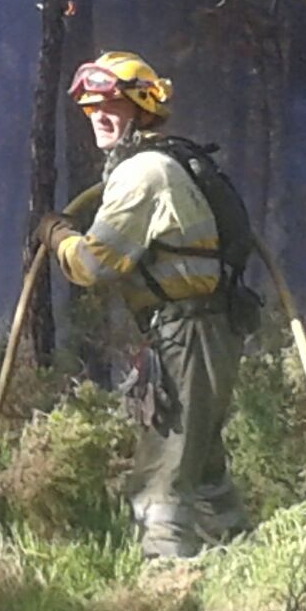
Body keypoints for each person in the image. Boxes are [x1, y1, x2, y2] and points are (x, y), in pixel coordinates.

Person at [35, 51, 257, 559]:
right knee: (201, 469)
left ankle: (166, 600)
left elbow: (93, 265)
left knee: (161, 479)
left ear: (140, 107)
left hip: (189, 333)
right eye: (90, 107)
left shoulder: (145, 173)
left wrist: (59, 236)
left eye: (110, 103)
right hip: (198, 330)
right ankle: (245, 566)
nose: (98, 115)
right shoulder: (169, 162)